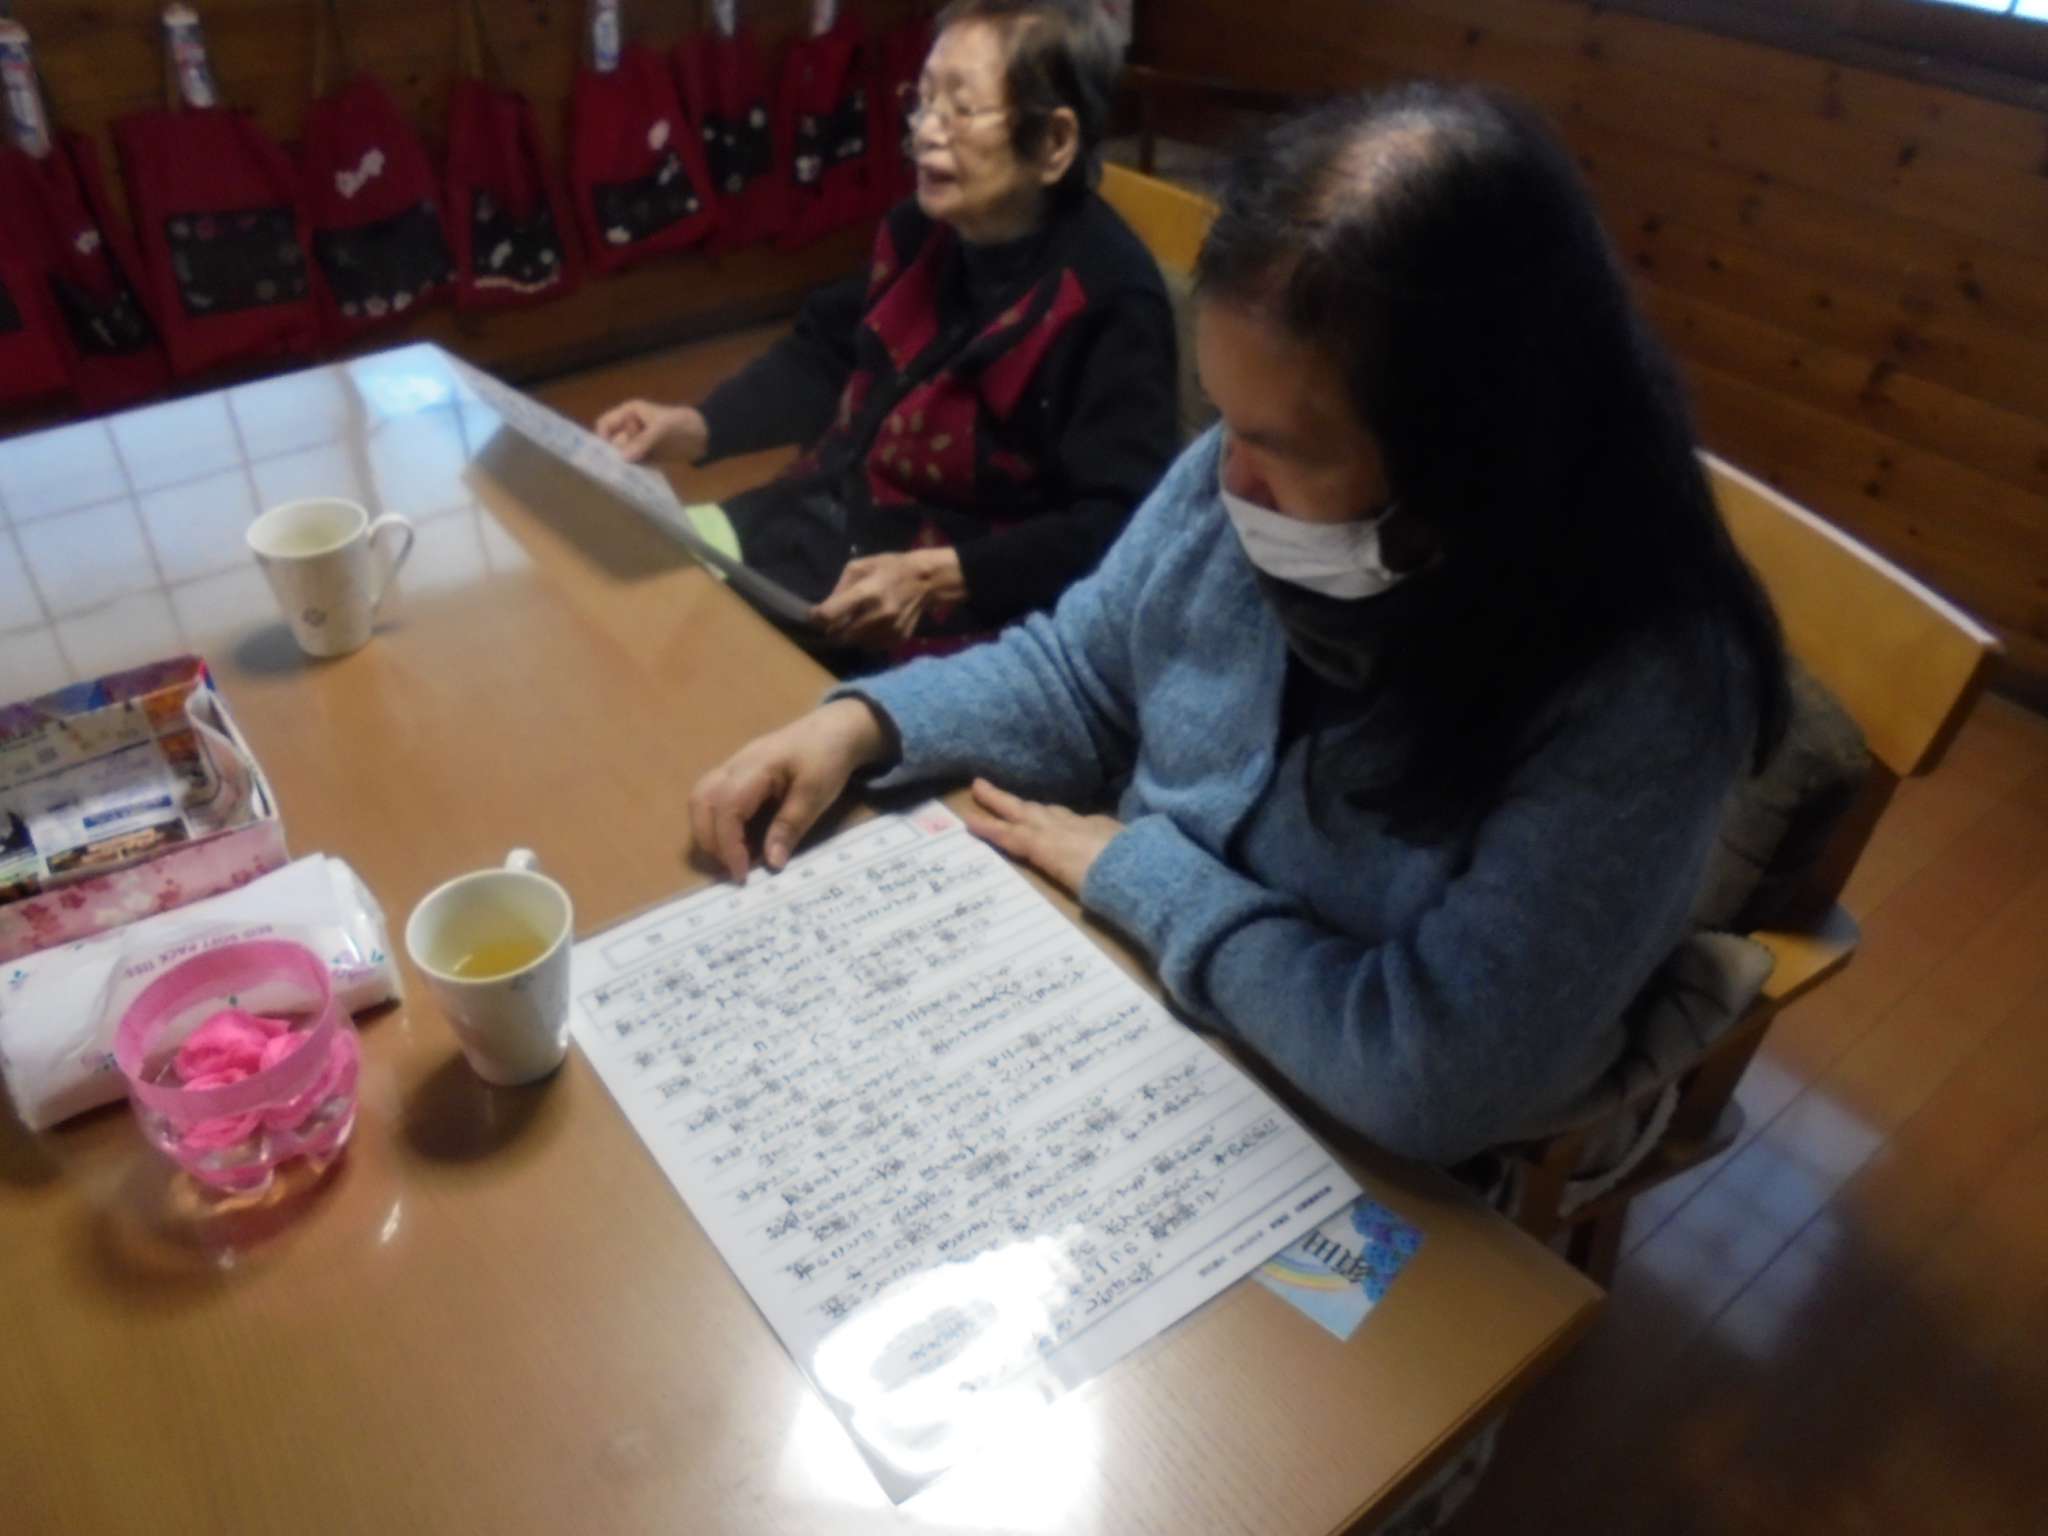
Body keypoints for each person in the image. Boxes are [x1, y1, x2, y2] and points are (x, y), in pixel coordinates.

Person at [684, 84, 1789, 1172]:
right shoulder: (1249, 471)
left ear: (1472, 459)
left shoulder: (1648, 689)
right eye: (1223, 423)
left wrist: (1142, 876)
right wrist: (864, 725)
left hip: (1377, 1148)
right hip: (1152, 1003)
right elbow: (1081, 673)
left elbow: (1432, 1076)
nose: (1226, 481)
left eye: (1281, 451)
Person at [597, 0, 1178, 663]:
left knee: (690, 664)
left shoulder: (1110, 299)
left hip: (942, 611)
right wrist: (697, 427)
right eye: (923, 102)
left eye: (960, 109)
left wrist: (940, 577)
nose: (926, 130)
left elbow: (1116, 522)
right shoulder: (919, 230)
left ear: (1054, 142)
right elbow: (826, 355)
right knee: (617, 581)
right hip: (815, 525)